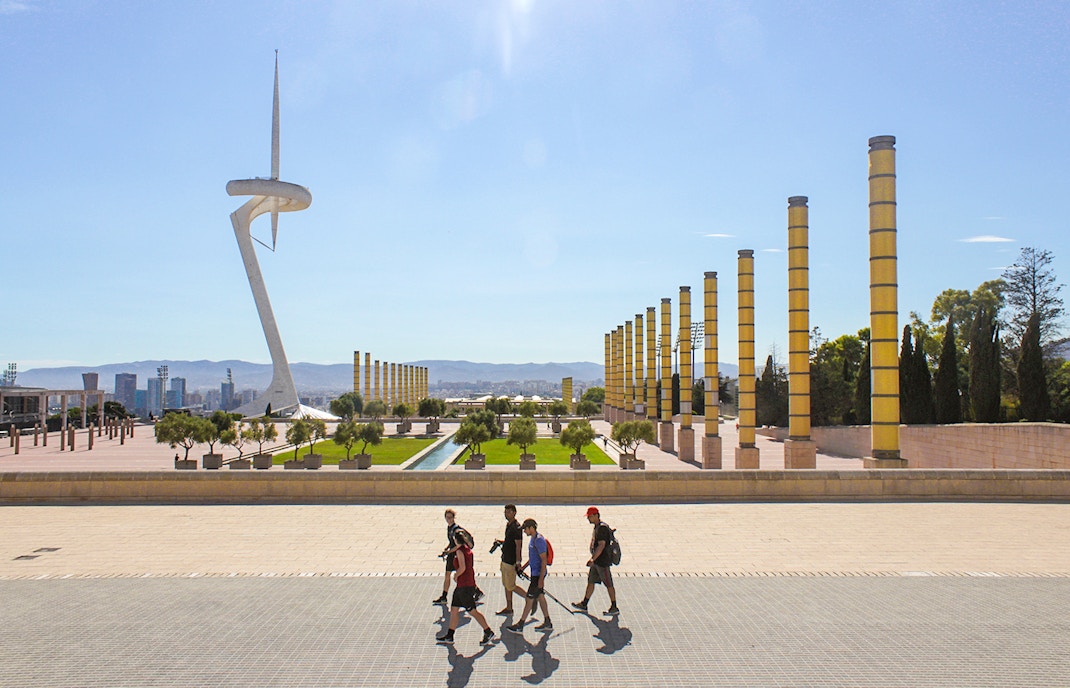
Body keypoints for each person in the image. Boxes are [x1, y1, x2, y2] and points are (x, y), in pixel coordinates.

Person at [436, 536, 494, 645]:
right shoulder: (467, 549)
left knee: (472, 611)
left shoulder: (460, 552)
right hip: (464, 585)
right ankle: (450, 636)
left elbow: (462, 568)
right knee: (454, 610)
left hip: (464, 586)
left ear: (456, 540)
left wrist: (456, 575)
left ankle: (488, 631)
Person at [506, 518, 552, 633]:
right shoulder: (533, 539)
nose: (524, 531)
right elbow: (532, 558)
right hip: (535, 573)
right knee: (540, 597)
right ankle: (548, 622)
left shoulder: (539, 540)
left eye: (525, 529)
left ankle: (520, 624)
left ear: (531, 528)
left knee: (529, 599)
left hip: (538, 575)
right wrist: (523, 567)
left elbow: (544, 560)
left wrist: (541, 579)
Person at [572, 506, 619, 615]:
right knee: (591, 581)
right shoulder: (598, 526)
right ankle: (584, 604)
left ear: (596, 515)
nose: (588, 518)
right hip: (597, 562)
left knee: (609, 584)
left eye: (589, 516)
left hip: (602, 562)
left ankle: (614, 607)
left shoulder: (602, 528)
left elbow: (601, 545)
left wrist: (593, 559)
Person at [496, 504, 525, 615]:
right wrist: (501, 542)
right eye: (505, 512)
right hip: (505, 559)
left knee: (511, 586)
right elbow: (510, 541)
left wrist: (518, 562)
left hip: (511, 561)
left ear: (514, 513)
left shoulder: (516, 527)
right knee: (507, 585)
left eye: (508, 512)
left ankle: (530, 599)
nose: (506, 514)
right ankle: (509, 608)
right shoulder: (509, 525)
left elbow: (518, 546)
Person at [433, 508, 464, 605]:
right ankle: (444, 596)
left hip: (456, 555)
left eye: (450, 517)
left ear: (454, 518)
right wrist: (446, 549)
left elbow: (458, 545)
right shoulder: (449, 528)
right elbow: (452, 542)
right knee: (448, 575)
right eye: (447, 517)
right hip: (452, 555)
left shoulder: (456, 529)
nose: (449, 519)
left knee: (459, 575)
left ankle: (474, 591)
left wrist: (448, 551)